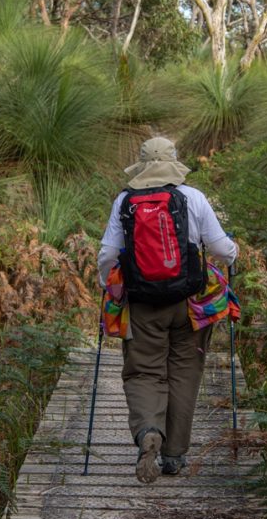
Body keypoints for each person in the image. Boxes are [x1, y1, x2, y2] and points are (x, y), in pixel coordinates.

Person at [98, 137, 238, 484]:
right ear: (174, 163)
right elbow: (220, 247)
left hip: (143, 304)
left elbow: (107, 255)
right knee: (185, 372)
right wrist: (233, 255)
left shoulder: (124, 201)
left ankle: (148, 431)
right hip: (189, 304)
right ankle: (174, 455)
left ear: (142, 165)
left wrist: (108, 285)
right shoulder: (193, 197)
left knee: (144, 371)